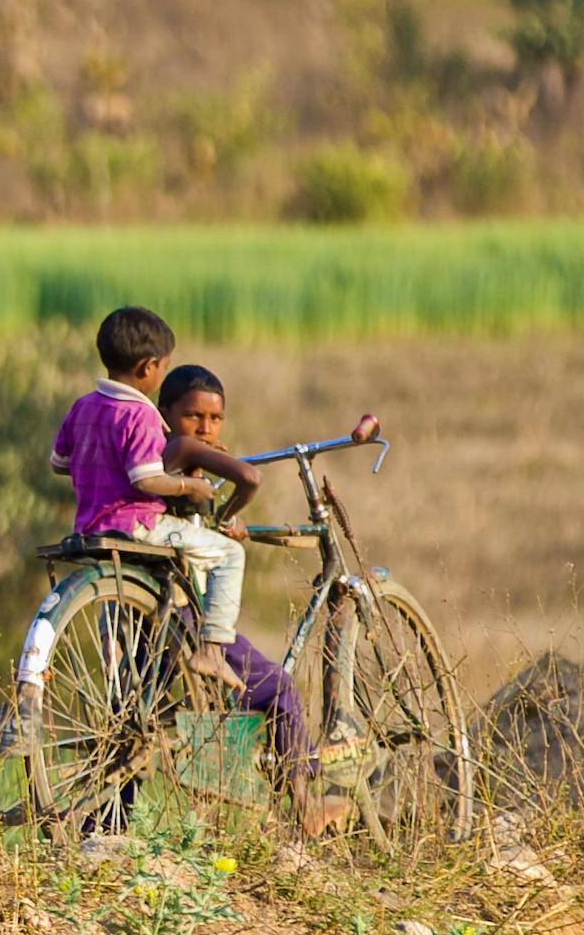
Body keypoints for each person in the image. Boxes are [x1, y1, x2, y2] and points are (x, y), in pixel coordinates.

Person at [156, 363, 358, 835]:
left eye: (215, 419)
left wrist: (219, 521)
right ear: (166, 416)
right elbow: (247, 480)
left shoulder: (169, 466)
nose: (205, 428)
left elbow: (187, 536)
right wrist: (226, 510)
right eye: (193, 418)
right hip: (186, 624)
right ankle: (306, 805)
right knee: (283, 690)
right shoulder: (177, 459)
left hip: (160, 626)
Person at [46, 306, 242, 686]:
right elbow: (147, 480)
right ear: (147, 368)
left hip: (90, 524)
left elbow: (59, 463)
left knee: (118, 596)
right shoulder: (142, 414)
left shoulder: (83, 407)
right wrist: (191, 486)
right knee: (230, 553)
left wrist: (98, 464)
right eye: (164, 367)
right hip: (138, 525)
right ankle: (212, 650)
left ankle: (115, 666)